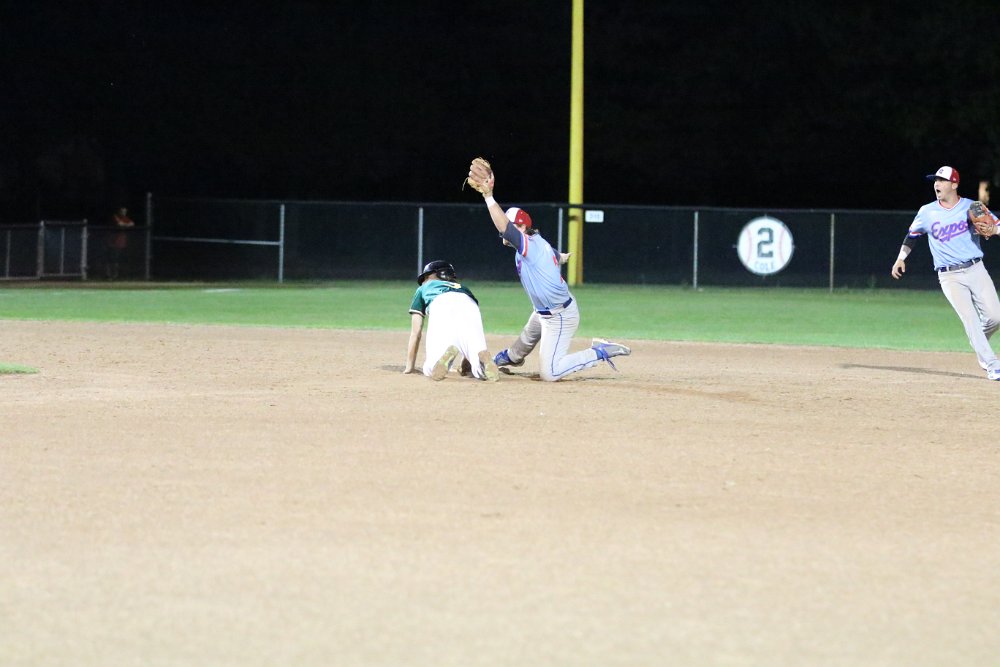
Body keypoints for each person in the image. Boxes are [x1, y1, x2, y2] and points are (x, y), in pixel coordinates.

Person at [470, 163, 631, 381]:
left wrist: (488, 196)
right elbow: (551, 253)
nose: (507, 230)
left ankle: (600, 351)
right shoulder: (536, 242)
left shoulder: (528, 244)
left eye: (514, 225)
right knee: (525, 340)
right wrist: (560, 257)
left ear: (523, 228)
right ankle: (510, 358)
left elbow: (505, 228)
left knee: (550, 373)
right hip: (542, 312)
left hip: (559, 315)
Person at [891, 165, 1000, 380]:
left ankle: (979, 343)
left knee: (995, 317)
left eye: (941, 180)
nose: (937, 184)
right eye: (935, 181)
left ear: (954, 184)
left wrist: (994, 229)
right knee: (970, 319)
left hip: (976, 268)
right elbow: (912, 235)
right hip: (949, 276)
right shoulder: (927, 212)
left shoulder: (973, 207)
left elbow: (997, 226)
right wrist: (900, 258)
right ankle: (992, 363)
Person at [403, 260, 499, 381]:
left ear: (436, 274)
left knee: (430, 368)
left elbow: (416, 333)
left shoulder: (423, 288)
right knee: (476, 355)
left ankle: (441, 361)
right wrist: (467, 360)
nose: (424, 281)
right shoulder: (463, 288)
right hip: (470, 305)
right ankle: (479, 364)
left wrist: (410, 367)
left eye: (426, 277)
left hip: (441, 303)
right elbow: (470, 330)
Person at [105, 206, 135, 280]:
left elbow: (132, 224)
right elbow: (119, 224)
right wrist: (126, 225)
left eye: (125, 212)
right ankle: (109, 275)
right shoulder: (115, 217)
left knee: (119, 259)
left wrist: (125, 224)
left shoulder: (125, 218)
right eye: (122, 211)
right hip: (112, 242)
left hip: (120, 243)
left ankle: (117, 275)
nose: (124, 213)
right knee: (111, 258)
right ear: (119, 211)